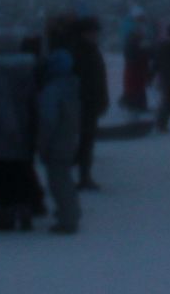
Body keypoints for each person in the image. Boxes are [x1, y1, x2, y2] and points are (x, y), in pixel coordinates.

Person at [0, 33, 41, 231]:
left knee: (3, 175)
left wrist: (9, 128)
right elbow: (33, 99)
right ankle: (24, 211)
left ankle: (6, 214)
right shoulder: (28, 68)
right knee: (21, 172)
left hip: (0, 132)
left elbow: (1, 101)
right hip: (24, 128)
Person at [36, 48, 83, 235]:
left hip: (56, 140)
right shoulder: (73, 86)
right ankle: (72, 212)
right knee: (66, 179)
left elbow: (48, 119)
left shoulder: (52, 90)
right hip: (70, 137)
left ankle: (67, 219)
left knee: (58, 181)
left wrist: (42, 142)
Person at [68, 17, 109, 191]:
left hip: (90, 102)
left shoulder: (91, 50)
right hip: (83, 102)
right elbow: (84, 80)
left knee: (86, 141)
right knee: (82, 140)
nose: (95, 35)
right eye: (92, 32)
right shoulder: (79, 51)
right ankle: (80, 176)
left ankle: (84, 175)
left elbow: (99, 78)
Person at [119, 12, 151, 114]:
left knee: (139, 87)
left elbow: (147, 53)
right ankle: (132, 105)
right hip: (134, 67)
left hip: (140, 68)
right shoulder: (132, 37)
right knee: (133, 87)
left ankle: (139, 106)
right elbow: (131, 54)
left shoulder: (142, 37)